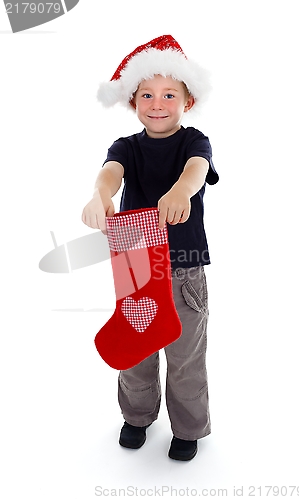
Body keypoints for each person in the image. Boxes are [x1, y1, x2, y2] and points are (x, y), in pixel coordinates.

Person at [82, 35, 219, 461]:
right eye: (147, 94)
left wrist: (182, 189)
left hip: (183, 269)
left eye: (168, 94)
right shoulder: (127, 147)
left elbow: (198, 170)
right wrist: (98, 196)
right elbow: (110, 173)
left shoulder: (193, 142)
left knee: (185, 356)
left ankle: (189, 428)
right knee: (135, 348)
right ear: (132, 101)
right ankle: (137, 416)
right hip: (137, 264)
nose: (157, 103)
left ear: (187, 101)